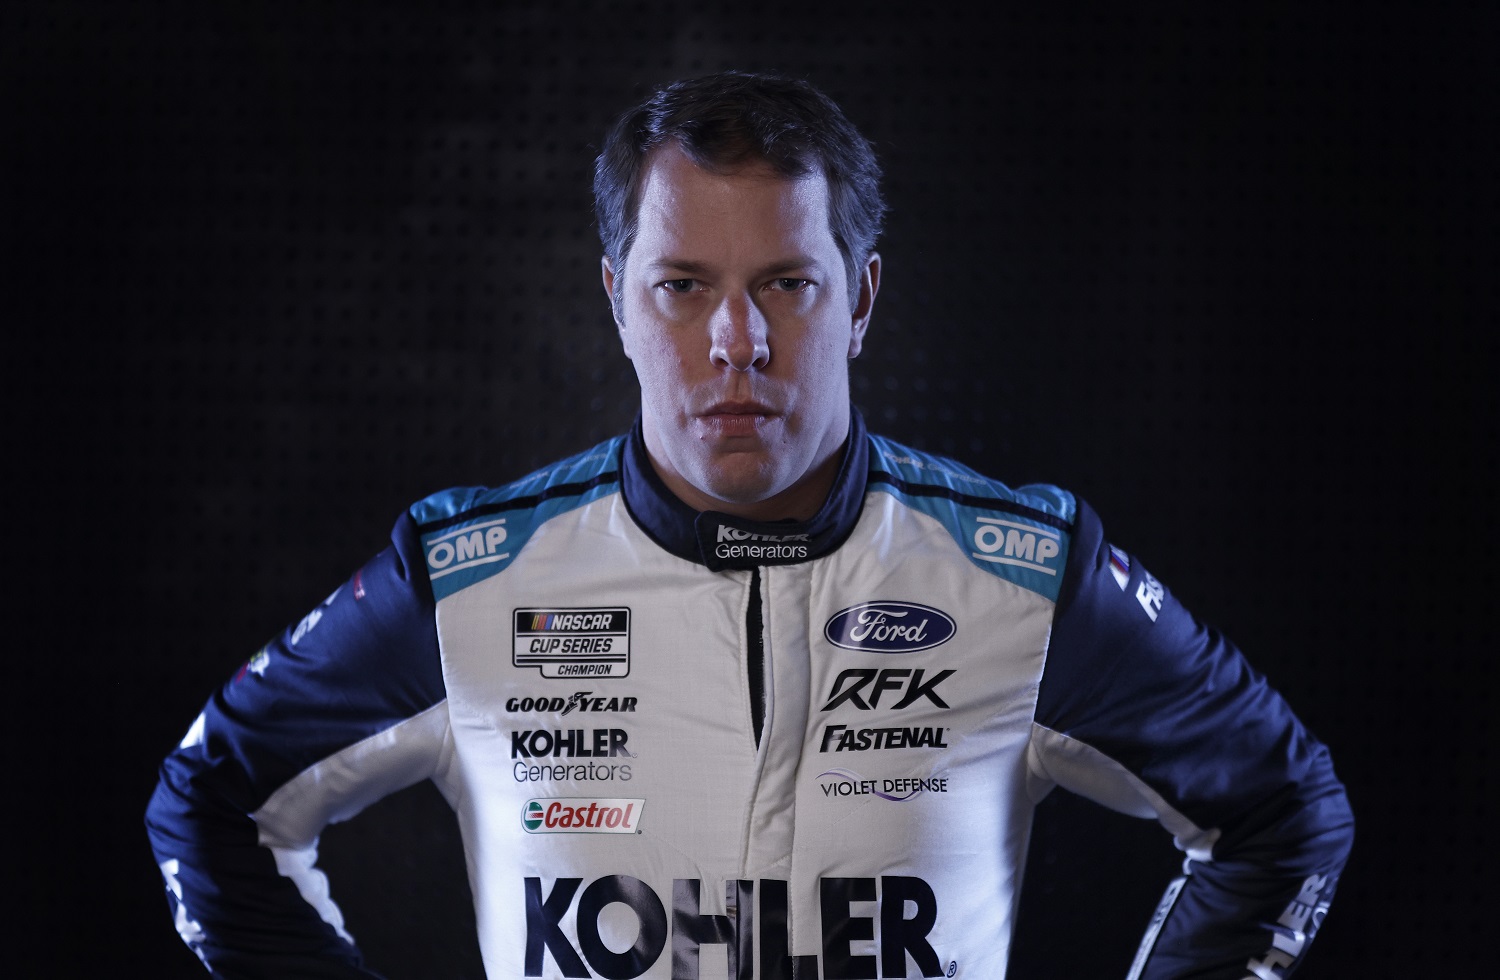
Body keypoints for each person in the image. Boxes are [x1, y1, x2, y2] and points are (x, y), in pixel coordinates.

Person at [147, 70, 1354, 979]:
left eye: (787, 281)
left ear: (862, 297)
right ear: (616, 297)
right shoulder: (468, 576)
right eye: (684, 286)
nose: (739, 342)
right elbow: (211, 798)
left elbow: (1285, 809)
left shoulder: (1020, 572)